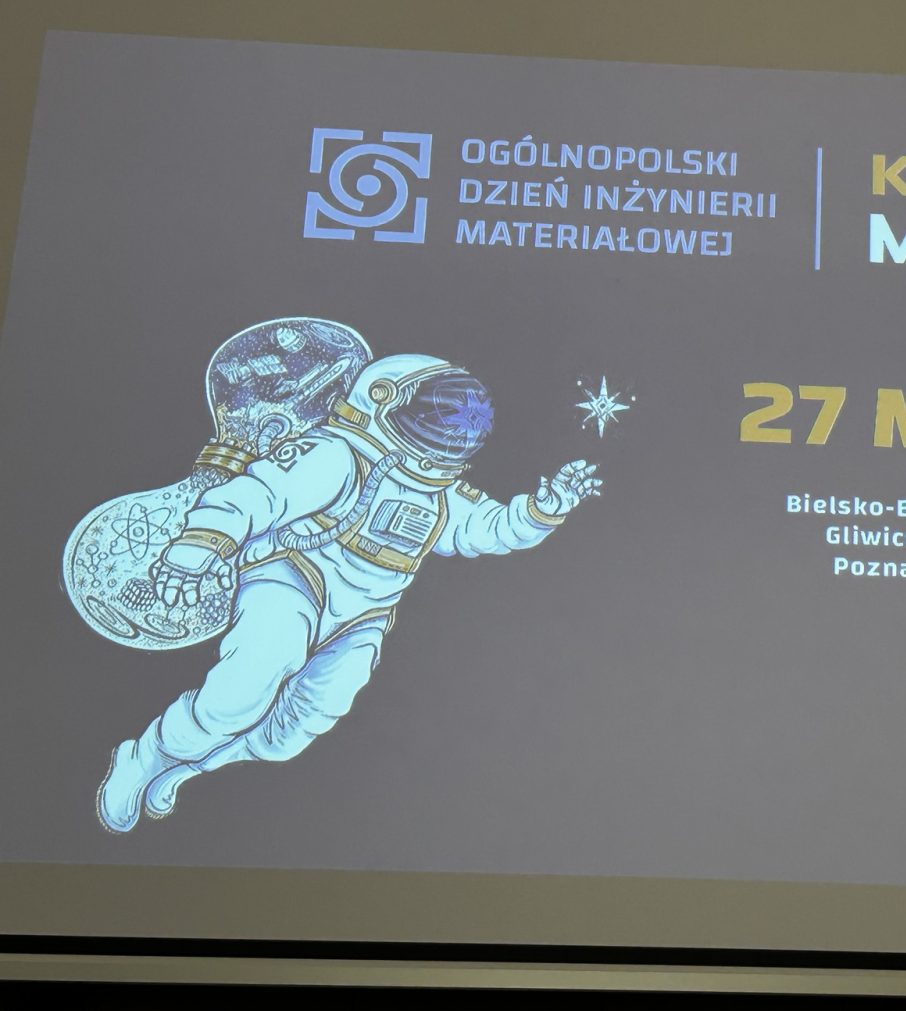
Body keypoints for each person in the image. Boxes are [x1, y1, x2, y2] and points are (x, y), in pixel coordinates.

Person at [96, 353, 600, 832]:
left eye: (451, 440)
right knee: (238, 698)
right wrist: (195, 552)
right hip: (293, 579)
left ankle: (185, 768)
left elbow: (486, 528)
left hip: (363, 617)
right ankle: (145, 759)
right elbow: (257, 494)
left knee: (292, 732)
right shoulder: (336, 454)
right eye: (430, 430)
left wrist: (542, 510)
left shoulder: (442, 492)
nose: (436, 449)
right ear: (383, 400)